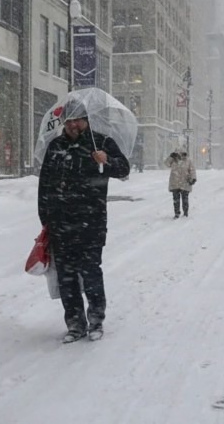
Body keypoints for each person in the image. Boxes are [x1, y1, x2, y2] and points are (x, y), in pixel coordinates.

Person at [37, 99, 130, 343]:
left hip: (92, 222)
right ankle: (75, 323)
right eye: (68, 120)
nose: (72, 124)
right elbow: (45, 183)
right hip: (61, 225)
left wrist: (106, 161)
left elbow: (124, 169)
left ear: (86, 120)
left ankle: (96, 319)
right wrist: (45, 217)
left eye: (77, 119)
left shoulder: (101, 143)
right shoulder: (56, 146)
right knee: (66, 277)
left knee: (90, 273)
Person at [164, 147, 196, 219]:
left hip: (185, 182)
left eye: (181, 154)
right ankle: (177, 213)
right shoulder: (173, 160)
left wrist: (193, 178)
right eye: (178, 154)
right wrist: (170, 157)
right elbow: (166, 163)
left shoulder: (188, 161)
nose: (180, 156)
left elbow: (192, 170)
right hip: (175, 182)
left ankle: (185, 212)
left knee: (185, 198)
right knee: (176, 199)